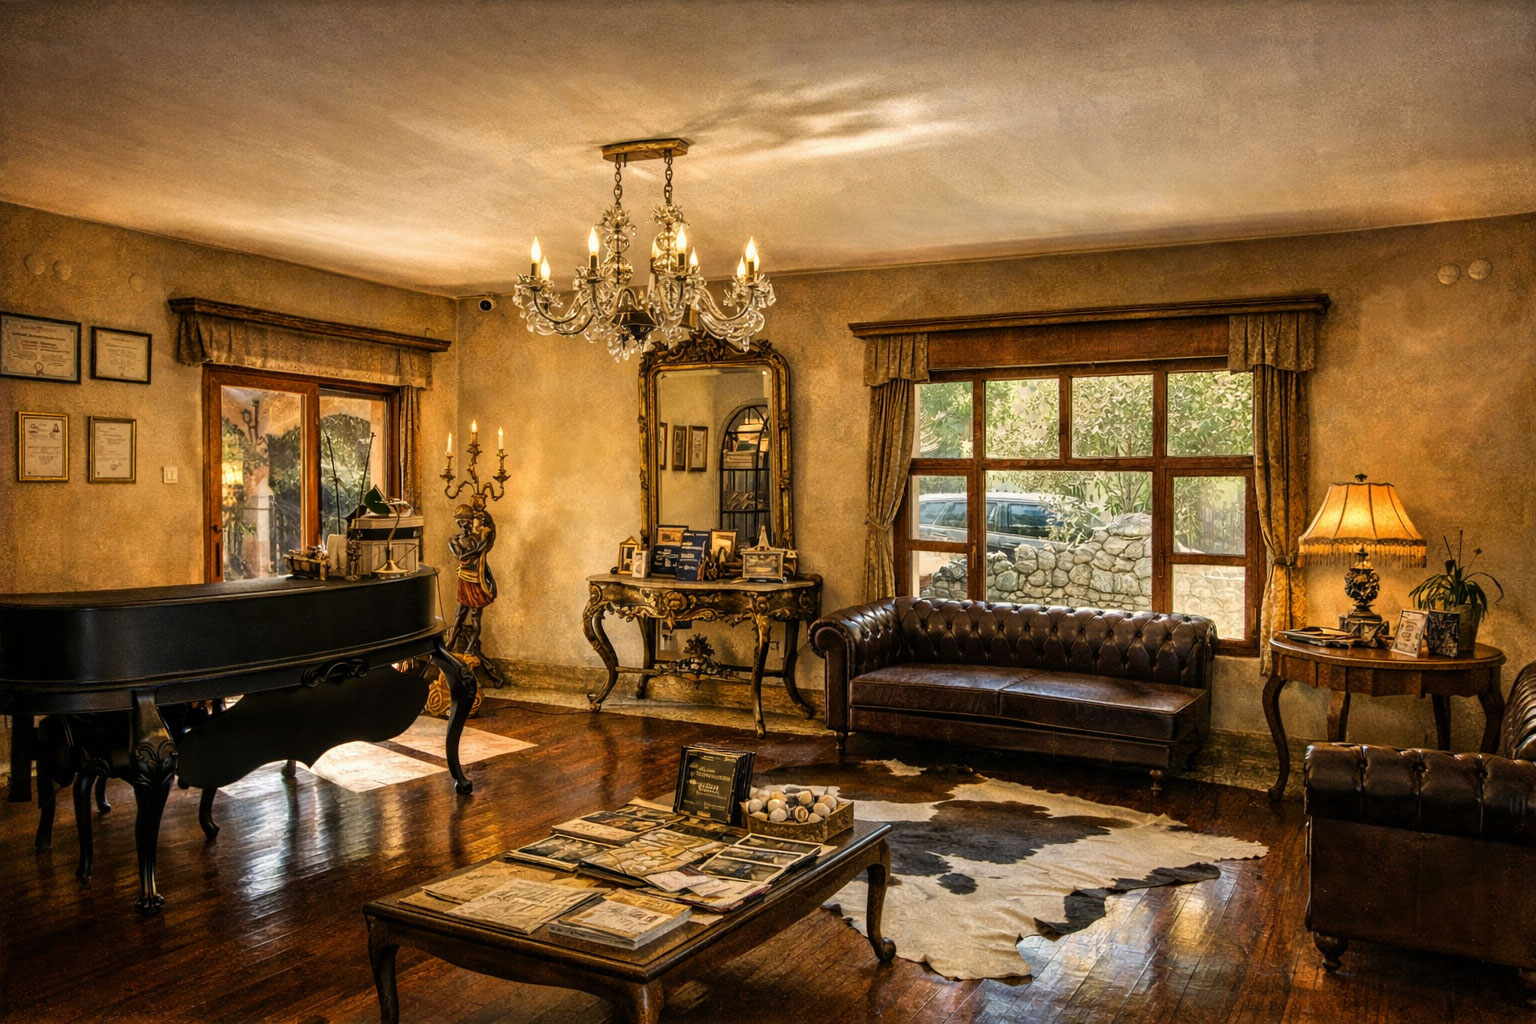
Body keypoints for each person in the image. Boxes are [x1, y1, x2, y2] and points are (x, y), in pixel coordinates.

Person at [446, 503, 499, 678]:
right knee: (459, 615)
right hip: (465, 580)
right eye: (461, 522)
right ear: (457, 523)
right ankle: (449, 646)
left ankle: (470, 648)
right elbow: (463, 556)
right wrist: (482, 543)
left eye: (468, 521)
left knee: (476, 617)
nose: (465, 525)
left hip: (477, 581)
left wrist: (491, 582)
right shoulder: (454, 541)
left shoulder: (477, 539)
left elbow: (483, 562)